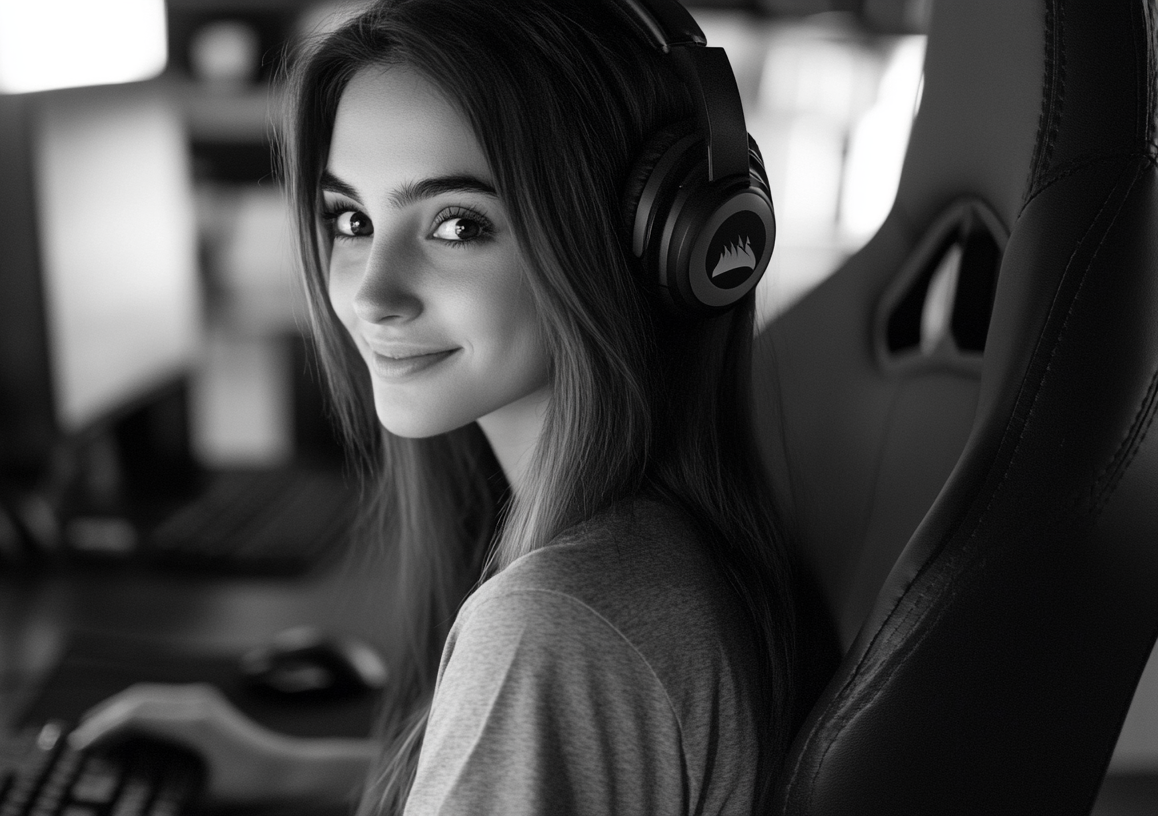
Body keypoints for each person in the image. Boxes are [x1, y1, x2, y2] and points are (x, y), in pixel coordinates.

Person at [73, 1, 830, 813]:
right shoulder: (647, 556)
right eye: (352, 218)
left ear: (650, 244)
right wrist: (292, 770)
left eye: (458, 224)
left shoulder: (556, 630)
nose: (372, 294)